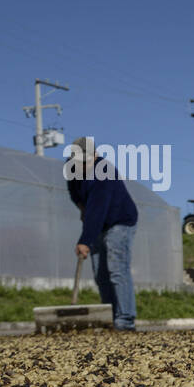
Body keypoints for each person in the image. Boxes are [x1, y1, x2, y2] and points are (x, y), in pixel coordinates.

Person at [64, 137, 139, 331]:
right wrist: (81, 207)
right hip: (98, 221)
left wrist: (85, 240)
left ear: (95, 156)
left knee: (116, 268)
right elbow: (73, 192)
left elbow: (98, 209)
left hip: (120, 220)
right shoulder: (72, 168)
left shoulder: (103, 172)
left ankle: (125, 320)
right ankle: (111, 317)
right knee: (100, 273)